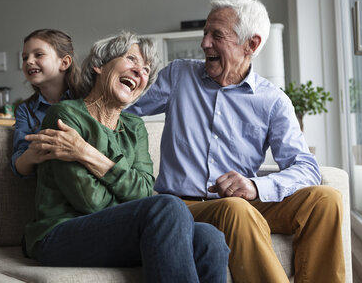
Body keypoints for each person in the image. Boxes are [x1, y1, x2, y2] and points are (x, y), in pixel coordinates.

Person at [127, 0, 345, 283]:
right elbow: (121, 107)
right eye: (205, 33)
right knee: (235, 208)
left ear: (251, 45)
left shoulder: (273, 100)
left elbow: (305, 167)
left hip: (244, 204)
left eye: (216, 35)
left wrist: (256, 186)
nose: (204, 43)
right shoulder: (179, 76)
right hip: (185, 207)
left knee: (326, 199)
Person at [23, 32, 230, 282]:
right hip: (59, 234)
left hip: (116, 231)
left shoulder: (134, 126)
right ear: (99, 65)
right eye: (131, 59)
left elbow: (143, 190)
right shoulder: (65, 116)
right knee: (167, 206)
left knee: (210, 238)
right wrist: (131, 201)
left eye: (145, 70)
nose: (139, 72)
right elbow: (91, 202)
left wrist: (87, 153)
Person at [11, 29, 83, 177]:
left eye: (38, 54)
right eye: (25, 57)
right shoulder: (25, 110)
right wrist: (30, 156)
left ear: (64, 62)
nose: (29, 61)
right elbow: (19, 167)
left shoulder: (86, 99)